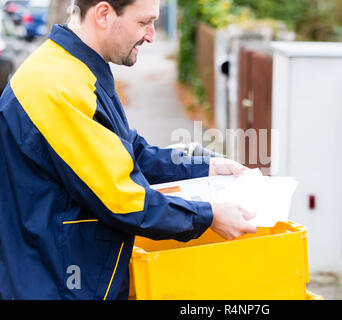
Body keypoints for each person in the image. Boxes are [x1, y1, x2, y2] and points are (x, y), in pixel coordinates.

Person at [0, 0, 257, 300]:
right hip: (54, 283)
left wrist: (205, 167)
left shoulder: (73, 69)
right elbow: (122, 200)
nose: (150, 35)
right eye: (143, 22)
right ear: (104, 14)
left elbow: (129, 152)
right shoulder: (56, 87)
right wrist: (208, 216)